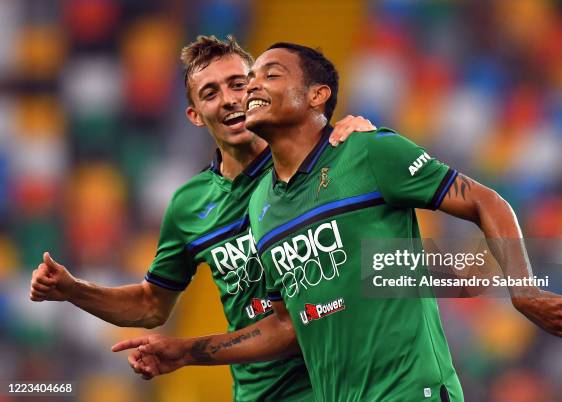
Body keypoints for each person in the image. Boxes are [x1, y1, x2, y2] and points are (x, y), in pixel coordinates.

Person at [113, 43, 562, 401]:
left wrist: (521, 287)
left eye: (267, 76)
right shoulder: (262, 205)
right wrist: (188, 351)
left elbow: (485, 200)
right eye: (251, 79)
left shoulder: (367, 152)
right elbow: (289, 322)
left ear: (317, 95)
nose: (250, 90)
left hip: (414, 391)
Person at [29, 36, 375, 401]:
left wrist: (363, 141)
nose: (228, 100)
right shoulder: (189, 205)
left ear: (258, 89)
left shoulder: (320, 159)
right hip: (263, 394)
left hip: (344, 385)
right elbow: (151, 304)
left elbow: (391, 253)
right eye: (210, 93)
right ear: (195, 114)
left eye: (238, 85)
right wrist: (73, 290)